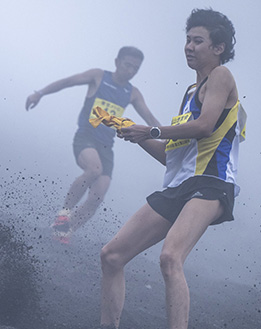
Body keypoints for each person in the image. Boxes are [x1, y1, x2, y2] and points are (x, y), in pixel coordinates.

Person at [100, 9, 243, 329]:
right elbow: (170, 157)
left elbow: (206, 126)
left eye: (198, 41)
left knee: (170, 257)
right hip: (181, 184)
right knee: (112, 256)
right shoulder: (191, 91)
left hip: (212, 185)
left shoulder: (222, 75)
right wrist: (133, 133)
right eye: (187, 40)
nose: (189, 47)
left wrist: (150, 129)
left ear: (219, 47)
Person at [25, 47, 160, 244]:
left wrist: (174, 139)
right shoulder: (98, 76)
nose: (130, 71)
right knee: (93, 169)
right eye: (127, 65)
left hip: (106, 146)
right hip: (85, 137)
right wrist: (40, 93)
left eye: (135, 69)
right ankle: (64, 213)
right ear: (117, 62)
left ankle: (65, 230)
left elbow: (149, 118)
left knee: (98, 196)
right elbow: (67, 82)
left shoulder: (133, 93)